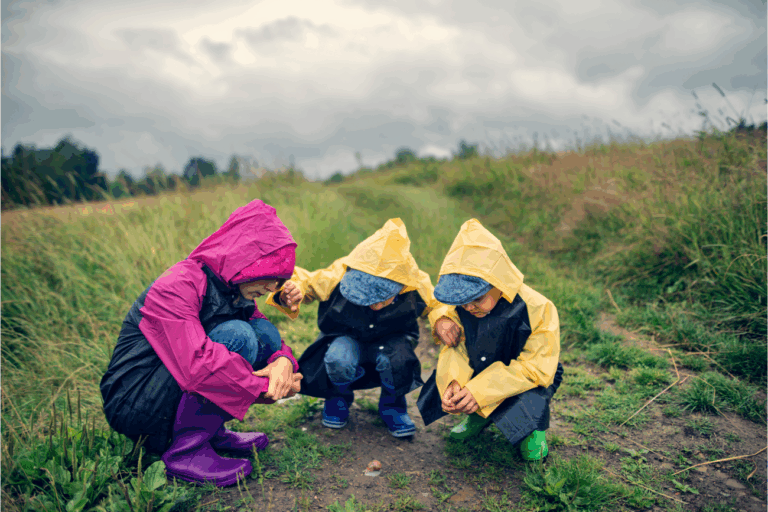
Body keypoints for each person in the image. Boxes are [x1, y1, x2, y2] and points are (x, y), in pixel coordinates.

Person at [100, 200, 303, 487]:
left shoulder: (231, 287)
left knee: (262, 332)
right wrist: (264, 388)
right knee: (239, 336)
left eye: (279, 279)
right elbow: (196, 363)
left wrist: (284, 362)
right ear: (242, 259)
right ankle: (185, 452)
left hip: (170, 389)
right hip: (136, 401)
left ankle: (208, 432)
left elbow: (272, 339)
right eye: (269, 275)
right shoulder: (179, 284)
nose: (274, 287)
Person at [267, 218, 439, 438]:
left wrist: (443, 320)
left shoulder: (416, 282)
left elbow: (437, 304)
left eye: (382, 298)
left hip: (392, 338)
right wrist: (292, 290)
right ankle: (338, 398)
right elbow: (308, 281)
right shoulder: (341, 271)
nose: (373, 305)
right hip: (346, 335)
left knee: (399, 360)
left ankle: (393, 407)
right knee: (338, 358)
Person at [416, 219, 563, 461]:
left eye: (477, 299)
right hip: (482, 366)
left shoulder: (539, 307)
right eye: (462, 300)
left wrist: (479, 391)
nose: (468, 307)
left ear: (498, 282)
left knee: (533, 395)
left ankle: (533, 430)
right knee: (461, 380)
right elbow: (457, 347)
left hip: (527, 378)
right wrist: (454, 381)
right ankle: (478, 416)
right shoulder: (459, 307)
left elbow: (535, 368)